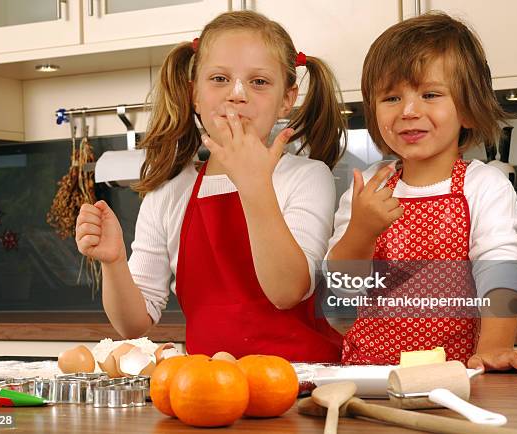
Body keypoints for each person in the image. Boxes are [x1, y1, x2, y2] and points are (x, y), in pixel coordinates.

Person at [75, 10, 345, 362]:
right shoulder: (170, 192)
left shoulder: (307, 178)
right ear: (195, 95)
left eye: (259, 82)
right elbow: (134, 325)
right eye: (219, 78)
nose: (237, 94)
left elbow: (287, 291)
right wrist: (113, 262)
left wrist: (253, 184)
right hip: (212, 391)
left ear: (287, 99)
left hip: (301, 385)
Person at [327, 12, 517, 374]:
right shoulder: (366, 187)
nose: (408, 110)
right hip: (366, 376)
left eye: (430, 94)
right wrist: (360, 231)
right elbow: (341, 295)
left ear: (467, 109)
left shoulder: (483, 186)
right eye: (390, 98)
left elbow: (500, 272)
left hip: (458, 376)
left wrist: (496, 347)